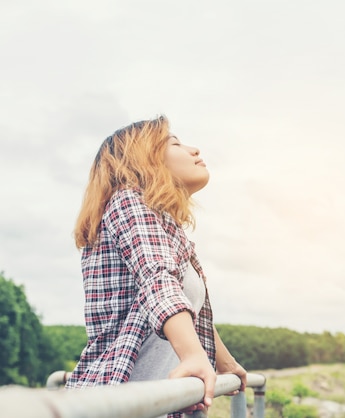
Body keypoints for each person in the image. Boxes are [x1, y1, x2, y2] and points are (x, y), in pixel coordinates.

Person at [65, 115, 246, 417]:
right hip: (118, 398)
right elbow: (157, 279)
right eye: (174, 143)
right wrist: (191, 355)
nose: (195, 150)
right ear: (142, 159)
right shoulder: (128, 201)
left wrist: (224, 362)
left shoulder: (167, 227)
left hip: (155, 403)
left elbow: (186, 306)